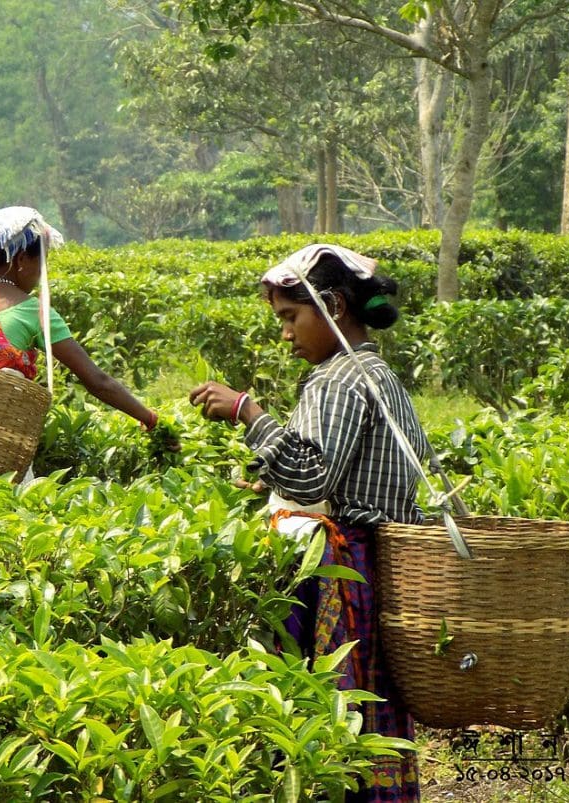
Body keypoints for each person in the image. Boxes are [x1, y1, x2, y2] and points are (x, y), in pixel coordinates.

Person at [189, 244, 426, 803]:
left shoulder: (340, 378)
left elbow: (314, 478)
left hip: (341, 569)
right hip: (368, 563)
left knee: (328, 711)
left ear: (335, 307)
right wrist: (270, 485)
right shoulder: (374, 372)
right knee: (367, 705)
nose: (286, 334)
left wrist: (248, 410)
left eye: (290, 318)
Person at [0, 206, 164, 433]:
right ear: (22, 260)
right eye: (43, 261)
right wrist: (150, 419)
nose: (43, 271)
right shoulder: (34, 312)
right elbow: (97, 381)